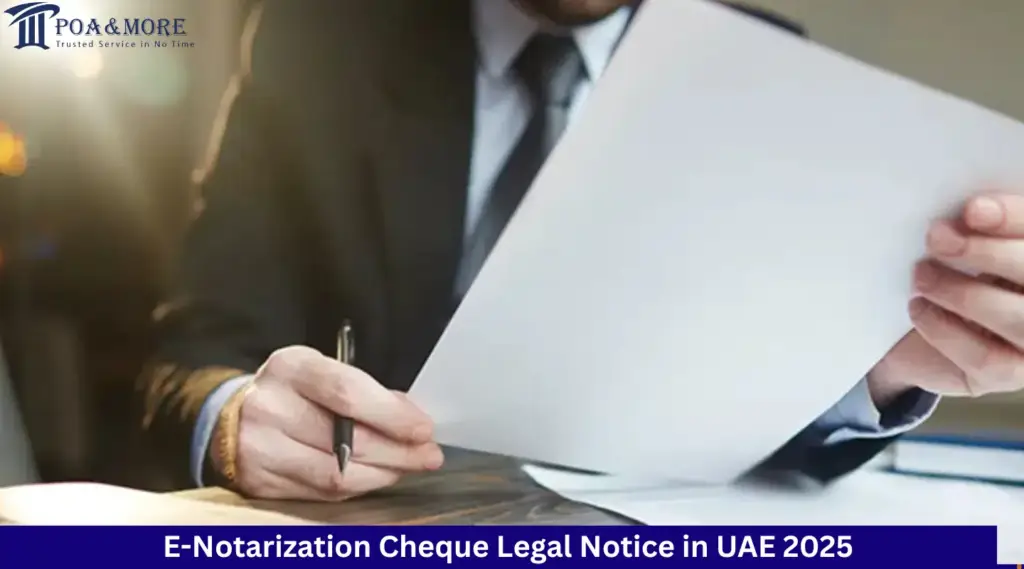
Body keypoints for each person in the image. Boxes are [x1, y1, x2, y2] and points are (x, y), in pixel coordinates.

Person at [138, 0, 1024, 500]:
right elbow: (192, 348)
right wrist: (234, 417)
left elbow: (757, 405)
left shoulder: (760, 63)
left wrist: (880, 367)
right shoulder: (323, 37)